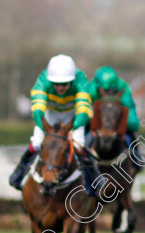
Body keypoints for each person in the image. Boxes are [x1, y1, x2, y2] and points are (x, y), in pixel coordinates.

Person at [8, 54, 100, 194]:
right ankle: (18, 174)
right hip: (50, 113)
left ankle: (92, 181)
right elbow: (38, 110)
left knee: (79, 144)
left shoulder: (81, 80)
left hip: (72, 114)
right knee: (37, 142)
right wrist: (45, 126)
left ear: (72, 80)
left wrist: (72, 127)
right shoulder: (42, 80)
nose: (60, 87)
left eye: (64, 84)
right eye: (56, 84)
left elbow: (83, 109)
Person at [85, 66, 142, 166]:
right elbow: (83, 111)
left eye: (111, 90)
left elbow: (134, 122)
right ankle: (82, 158)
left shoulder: (123, 89)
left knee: (130, 136)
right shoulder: (90, 89)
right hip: (97, 123)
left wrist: (119, 123)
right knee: (83, 136)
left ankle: (136, 158)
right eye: (105, 90)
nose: (108, 93)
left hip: (117, 123)